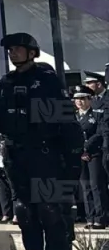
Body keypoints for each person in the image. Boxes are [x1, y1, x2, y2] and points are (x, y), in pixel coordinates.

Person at [0, 32, 83, 250]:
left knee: (50, 213)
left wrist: (72, 160)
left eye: (17, 48)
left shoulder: (46, 80)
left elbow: (67, 121)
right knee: (25, 214)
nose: (12, 52)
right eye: (10, 49)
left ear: (32, 53)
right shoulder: (6, 82)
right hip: (16, 156)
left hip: (44, 156)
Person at [77, 88, 102, 227]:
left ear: (89, 100)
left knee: (95, 185)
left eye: (82, 98)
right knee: (85, 187)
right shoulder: (73, 117)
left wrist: (86, 148)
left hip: (93, 154)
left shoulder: (97, 115)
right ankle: (89, 217)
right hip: (80, 155)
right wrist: (80, 150)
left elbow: (99, 134)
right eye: (76, 99)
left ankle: (99, 218)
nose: (79, 102)